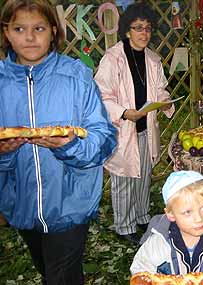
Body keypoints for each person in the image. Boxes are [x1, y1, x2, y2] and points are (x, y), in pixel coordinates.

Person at [0, 0, 117, 284]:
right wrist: (3, 154)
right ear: (6, 33)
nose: (29, 37)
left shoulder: (75, 76)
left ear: (53, 31)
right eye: (19, 28)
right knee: (51, 268)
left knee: (59, 276)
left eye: (38, 28)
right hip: (21, 203)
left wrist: (69, 146)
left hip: (70, 203)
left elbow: (105, 139)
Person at [95, 2, 174, 244]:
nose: (144, 33)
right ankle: (124, 226)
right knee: (124, 179)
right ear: (127, 31)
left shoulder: (152, 59)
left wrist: (166, 100)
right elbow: (100, 94)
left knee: (144, 177)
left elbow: (159, 89)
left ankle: (141, 217)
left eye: (148, 28)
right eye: (138, 28)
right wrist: (123, 112)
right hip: (122, 129)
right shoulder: (113, 58)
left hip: (145, 129)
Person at [130, 170, 203, 274]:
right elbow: (141, 268)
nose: (199, 219)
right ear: (171, 214)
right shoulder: (159, 242)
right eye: (187, 212)